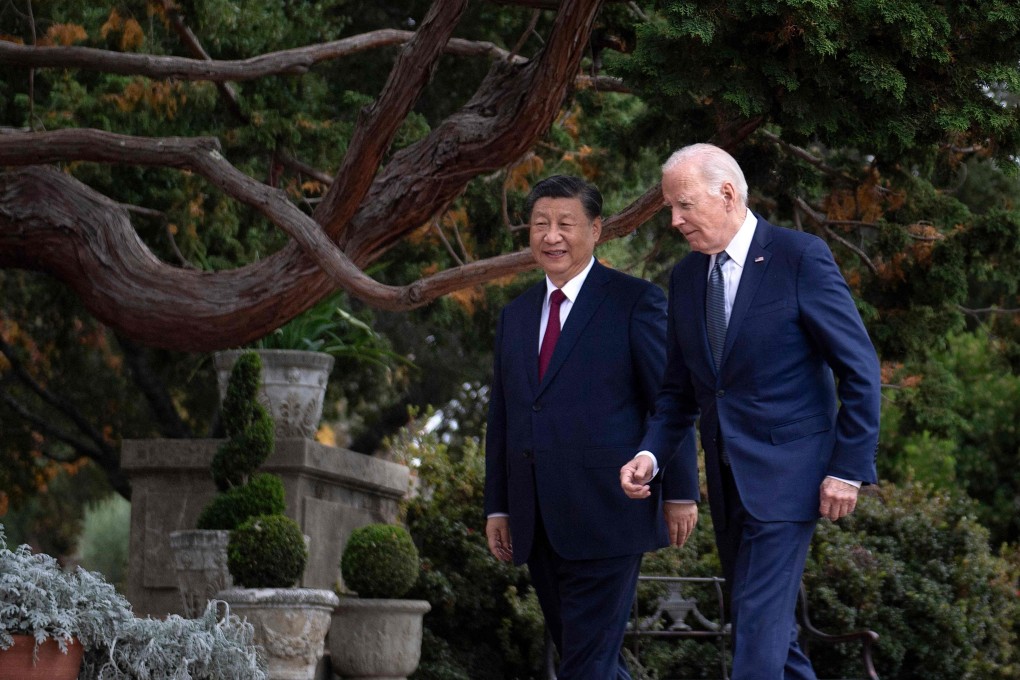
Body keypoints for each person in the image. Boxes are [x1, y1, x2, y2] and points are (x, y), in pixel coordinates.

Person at [620, 144, 881, 680]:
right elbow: (679, 394)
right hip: (729, 481)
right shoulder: (687, 279)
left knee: (758, 630)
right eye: (671, 208)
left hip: (791, 479)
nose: (674, 220)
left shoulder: (799, 257)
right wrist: (650, 454)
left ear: (727, 193)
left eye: (684, 205)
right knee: (765, 629)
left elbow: (859, 368)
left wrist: (847, 469)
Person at [485, 175, 697, 679]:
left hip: (609, 514)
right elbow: (505, 417)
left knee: (584, 666)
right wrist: (499, 505)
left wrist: (680, 492)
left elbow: (670, 401)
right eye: (540, 224)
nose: (551, 236)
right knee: (591, 662)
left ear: (596, 230)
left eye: (565, 224)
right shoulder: (514, 317)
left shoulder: (635, 302)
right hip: (536, 520)